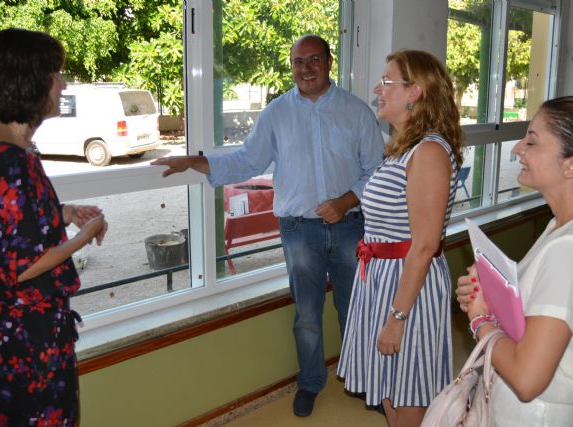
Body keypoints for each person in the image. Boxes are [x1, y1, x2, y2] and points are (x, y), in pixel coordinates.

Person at [151, 34, 384, 417]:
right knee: (306, 316)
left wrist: (345, 202)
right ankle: (310, 383)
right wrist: (195, 160)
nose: (305, 69)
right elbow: (247, 160)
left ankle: (363, 380)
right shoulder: (276, 113)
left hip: (348, 227)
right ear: (291, 66)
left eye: (313, 60)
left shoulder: (356, 112)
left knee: (355, 308)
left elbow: (375, 170)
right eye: (297, 61)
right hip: (299, 232)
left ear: (328, 62)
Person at [0, 28, 108, 426]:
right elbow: (19, 267)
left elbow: (13, 225)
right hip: (27, 341)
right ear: (29, 81)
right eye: (55, 74)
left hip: (31, 331)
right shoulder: (9, 160)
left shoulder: (5, 146)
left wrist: (65, 212)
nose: (62, 84)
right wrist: (82, 237)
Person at [337, 49, 464, 427]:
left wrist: (397, 318)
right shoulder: (404, 148)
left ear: (415, 92)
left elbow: (424, 245)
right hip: (383, 277)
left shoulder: (427, 152)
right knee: (389, 385)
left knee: (408, 390)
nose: (377, 88)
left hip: (409, 287)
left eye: (386, 81)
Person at [456, 96, 573, 426]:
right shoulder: (557, 226)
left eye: (532, 141)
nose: (517, 149)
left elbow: (527, 379)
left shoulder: (566, 248)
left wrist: (480, 318)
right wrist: (491, 299)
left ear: (570, 164)